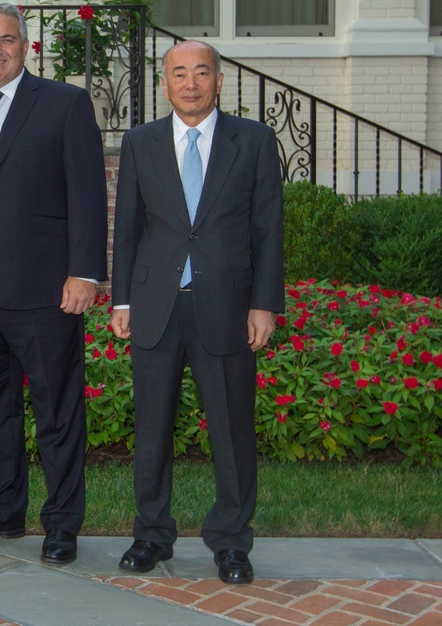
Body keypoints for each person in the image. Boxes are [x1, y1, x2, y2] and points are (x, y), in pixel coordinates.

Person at [0, 3, 108, 565]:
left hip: (46, 289)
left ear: (26, 47)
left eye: (8, 39)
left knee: (57, 411)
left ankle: (61, 524)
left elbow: (87, 192)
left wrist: (85, 271)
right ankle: (2, 509)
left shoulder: (64, 104)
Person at [110, 39, 284, 585]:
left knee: (232, 432)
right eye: (179, 73)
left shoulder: (253, 141)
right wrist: (122, 299)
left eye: (201, 72)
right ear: (165, 83)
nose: (190, 83)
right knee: (152, 430)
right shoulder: (140, 142)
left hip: (227, 309)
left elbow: (267, 229)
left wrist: (263, 304)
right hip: (157, 307)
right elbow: (129, 227)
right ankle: (151, 534)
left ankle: (231, 541)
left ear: (218, 81)